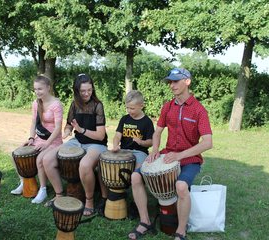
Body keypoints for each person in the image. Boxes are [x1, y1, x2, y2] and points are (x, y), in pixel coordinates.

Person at [128, 68, 213, 240]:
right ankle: (145, 221)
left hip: (189, 159)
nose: (171, 85)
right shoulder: (167, 107)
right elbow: (157, 133)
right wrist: (154, 151)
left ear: (187, 81)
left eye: (175, 81)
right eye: (170, 82)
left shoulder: (199, 110)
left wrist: (179, 156)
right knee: (136, 177)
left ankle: (181, 231)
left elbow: (208, 143)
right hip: (166, 154)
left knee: (181, 187)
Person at [44, 73, 108, 215]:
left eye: (89, 90)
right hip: (77, 141)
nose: (87, 94)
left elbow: (100, 135)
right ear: (77, 91)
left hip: (96, 144)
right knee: (47, 159)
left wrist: (81, 130)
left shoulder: (98, 105)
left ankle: (89, 200)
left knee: (85, 165)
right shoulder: (74, 105)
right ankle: (59, 195)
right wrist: (67, 131)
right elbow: (69, 125)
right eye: (83, 91)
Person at [11, 75, 63, 205]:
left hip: (53, 141)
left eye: (40, 89)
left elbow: (58, 128)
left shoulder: (56, 104)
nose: (37, 92)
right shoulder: (36, 103)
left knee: (40, 160)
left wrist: (47, 143)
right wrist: (31, 138)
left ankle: (43, 189)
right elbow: (34, 122)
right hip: (39, 138)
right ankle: (24, 182)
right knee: (15, 154)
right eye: (35, 89)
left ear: (48, 88)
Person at [112, 90, 154, 170]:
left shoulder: (147, 122)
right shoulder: (124, 119)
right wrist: (115, 145)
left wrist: (141, 142)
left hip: (140, 152)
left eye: (132, 108)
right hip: (124, 150)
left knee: (137, 171)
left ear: (141, 106)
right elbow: (117, 135)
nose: (129, 111)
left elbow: (151, 142)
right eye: (127, 107)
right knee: (114, 167)